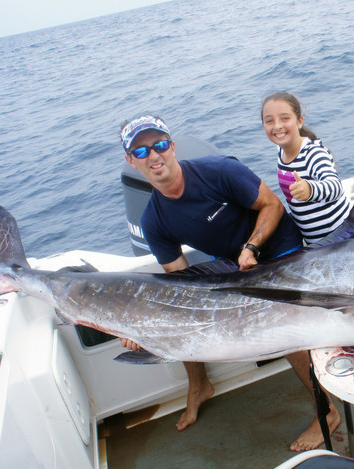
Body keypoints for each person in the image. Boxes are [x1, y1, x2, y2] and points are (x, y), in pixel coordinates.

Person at [119, 115, 340, 451]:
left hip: (281, 249)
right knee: (181, 316)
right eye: (141, 151)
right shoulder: (153, 220)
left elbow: (272, 205)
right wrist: (141, 329)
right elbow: (178, 286)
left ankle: (328, 412)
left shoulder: (218, 171)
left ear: (172, 147)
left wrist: (251, 248)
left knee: (282, 324)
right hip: (238, 269)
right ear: (131, 161)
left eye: (160, 145)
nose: (153, 156)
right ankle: (199, 385)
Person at [261, 92, 352, 244]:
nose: (277, 126)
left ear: (299, 121)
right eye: (269, 121)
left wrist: (310, 189)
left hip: (341, 237)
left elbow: (335, 186)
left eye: (285, 118)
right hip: (315, 243)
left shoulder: (313, 153)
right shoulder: (280, 152)